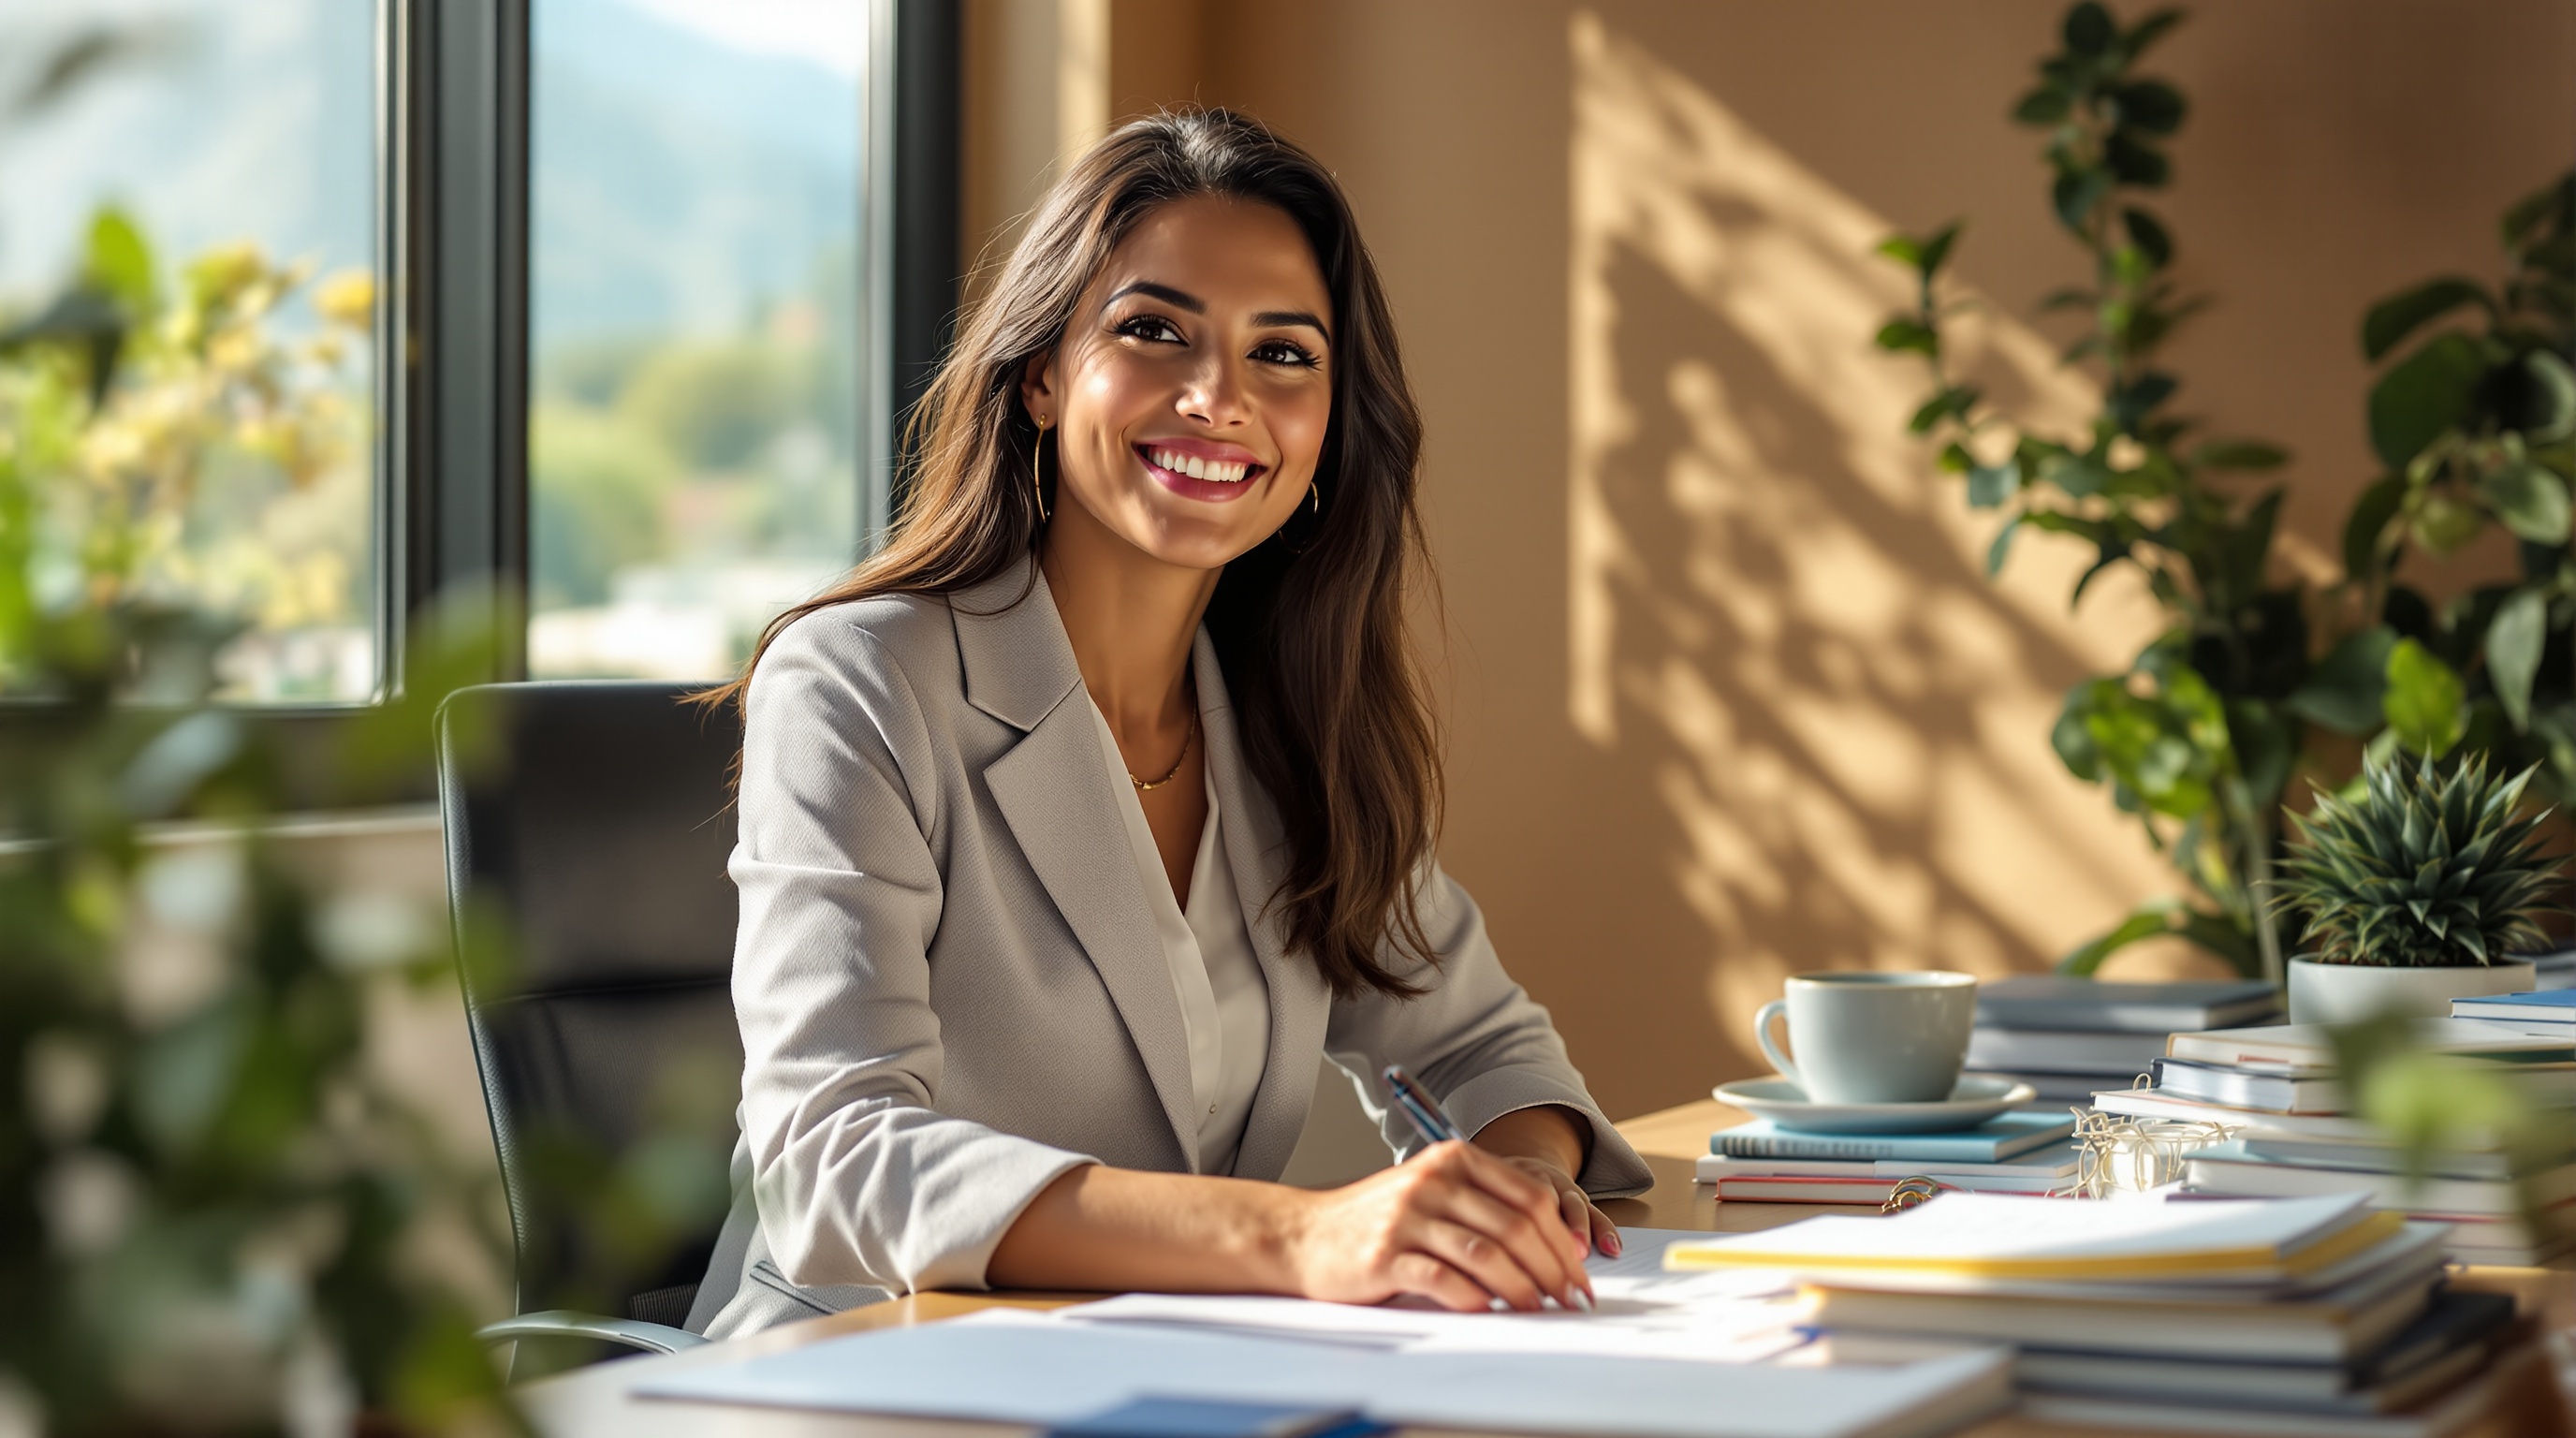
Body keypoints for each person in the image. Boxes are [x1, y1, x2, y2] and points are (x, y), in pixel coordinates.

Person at [687, 109, 1650, 1340]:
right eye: (1154, 332)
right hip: (866, 1372)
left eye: (1284, 355)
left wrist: (1519, 1185)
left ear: (1327, 424)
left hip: (1174, 1367)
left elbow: (1485, 1043)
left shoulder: (1283, 712)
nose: (1218, 399)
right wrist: (1300, 1235)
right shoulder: (861, 680)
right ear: (1041, 372)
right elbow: (831, 1157)